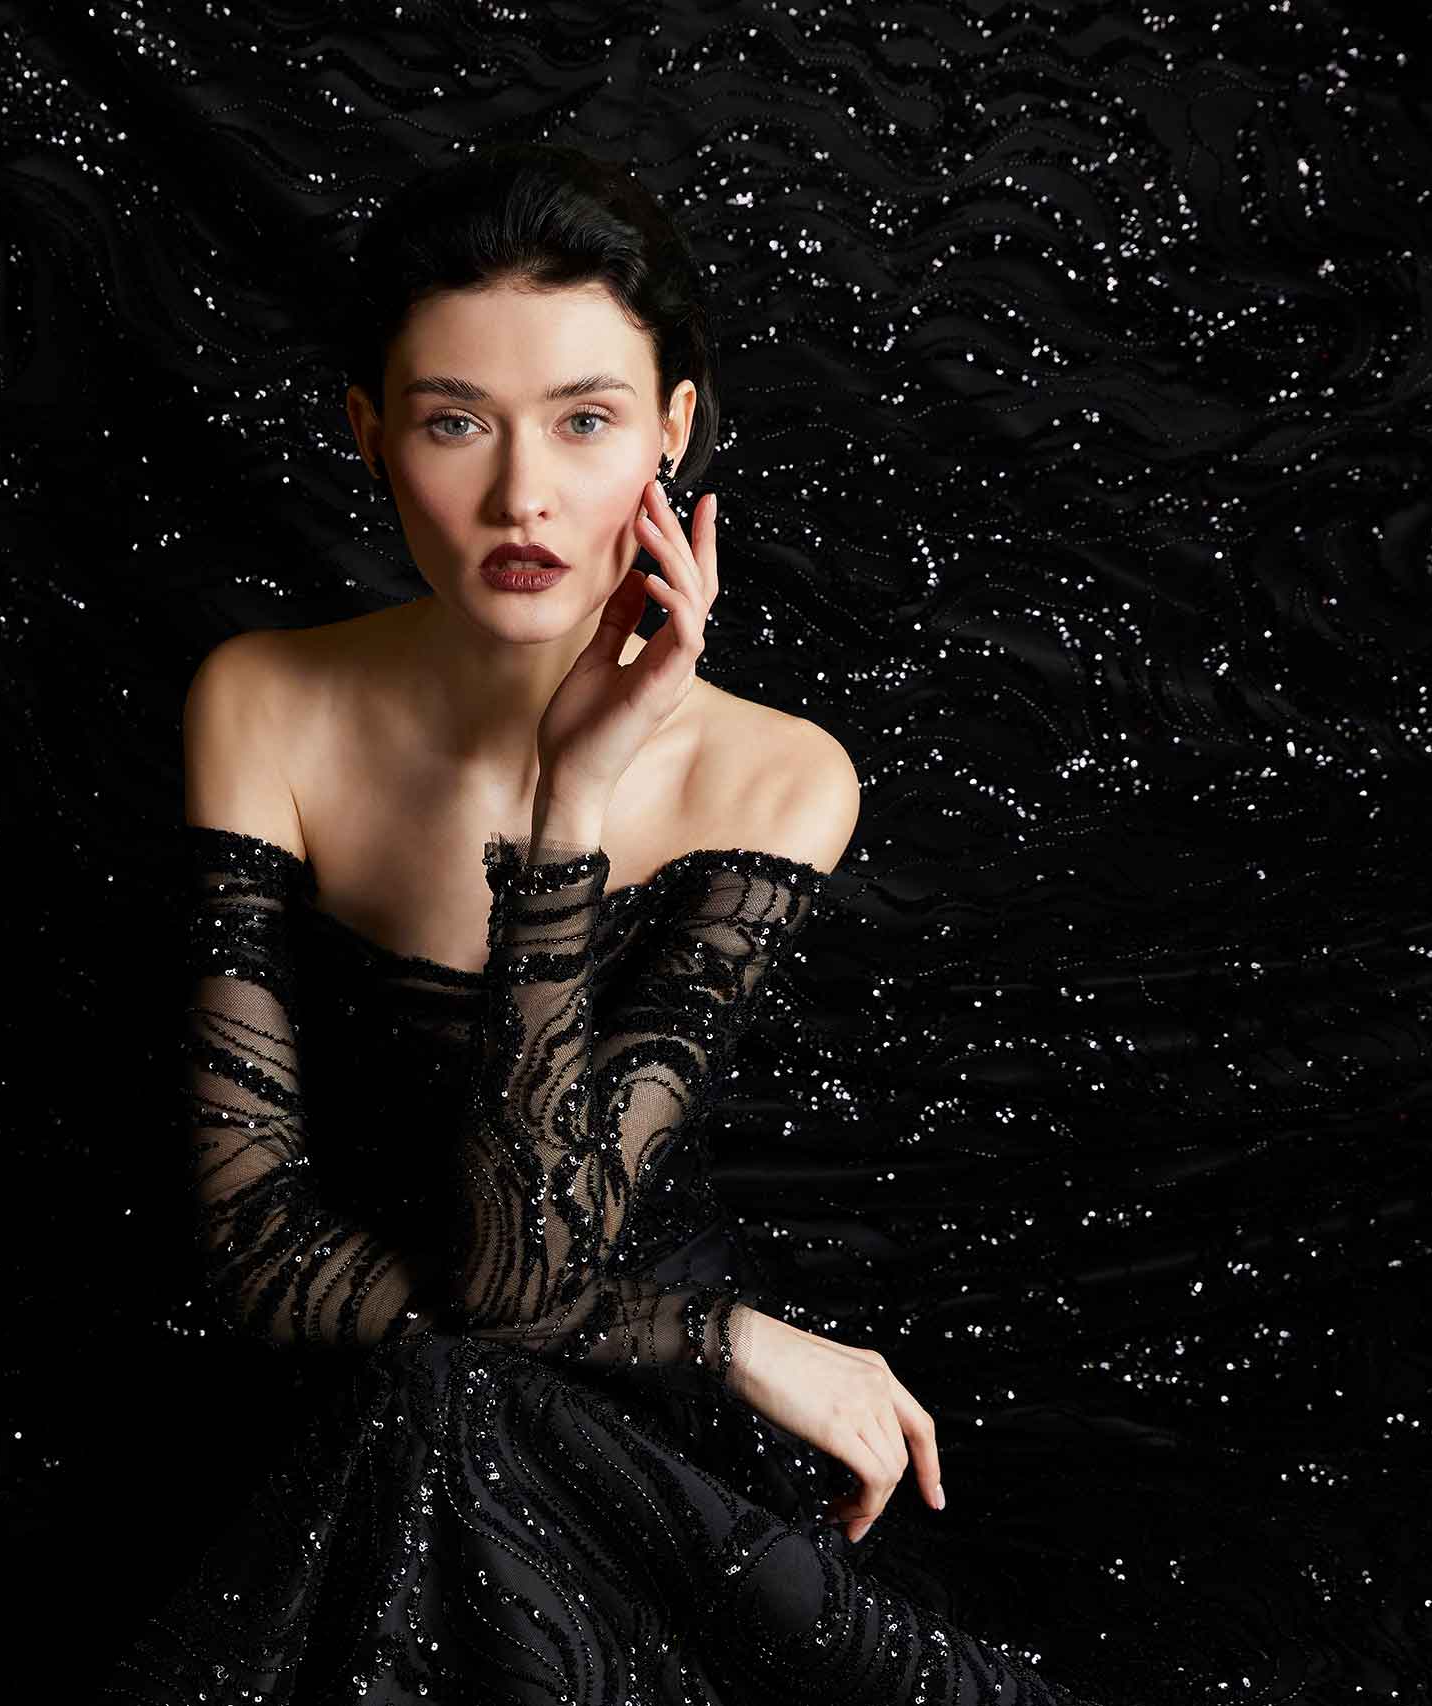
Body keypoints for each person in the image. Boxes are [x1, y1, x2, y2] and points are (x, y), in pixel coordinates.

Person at [103, 142, 1103, 1705]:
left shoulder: (778, 777)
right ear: (369, 432)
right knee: (433, 1405)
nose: (524, 495)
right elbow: (259, 1252)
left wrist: (568, 806)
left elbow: (523, 1273)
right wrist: (732, 1339)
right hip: (376, 1389)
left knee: (459, 1406)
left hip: (636, 1439)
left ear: (671, 431)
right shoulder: (264, 702)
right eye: (455, 421)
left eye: (584, 420)